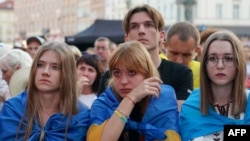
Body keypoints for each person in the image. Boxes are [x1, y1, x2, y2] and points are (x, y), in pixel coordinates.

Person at [98, 4, 193, 111]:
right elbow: (101, 116)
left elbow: (179, 117)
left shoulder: (181, 73)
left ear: (161, 36)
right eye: (134, 26)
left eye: (149, 25)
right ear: (126, 38)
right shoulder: (111, 75)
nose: (141, 31)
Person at [87, 40, 180, 141]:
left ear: (147, 74)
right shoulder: (104, 103)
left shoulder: (163, 96)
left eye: (132, 72)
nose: (123, 81)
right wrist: (131, 99)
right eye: (117, 73)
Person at [0, 41, 90, 140]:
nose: (45, 72)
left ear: (67, 73)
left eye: (55, 67)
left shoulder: (81, 116)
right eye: (40, 65)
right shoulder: (13, 109)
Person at [179, 30, 250, 141]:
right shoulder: (191, 107)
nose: (220, 65)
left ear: (238, 63)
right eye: (212, 58)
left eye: (228, 58)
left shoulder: (248, 101)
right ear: (205, 64)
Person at [165, 21, 201, 89]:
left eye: (186, 55)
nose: (179, 61)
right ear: (165, 46)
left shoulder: (203, 73)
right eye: (174, 53)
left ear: (197, 51)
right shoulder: (153, 68)